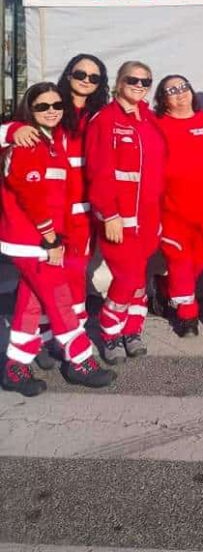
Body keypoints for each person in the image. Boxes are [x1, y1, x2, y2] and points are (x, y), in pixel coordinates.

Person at [0, 82, 115, 395]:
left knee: (30, 304)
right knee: (59, 300)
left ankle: (15, 367)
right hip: (33, 240)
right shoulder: (28, 142)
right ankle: (81, 362)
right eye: (42, 106)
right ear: (29, 109)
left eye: (56, 105)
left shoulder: (49, 141)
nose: (51, 111)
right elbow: (32, 197)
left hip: (39, 238)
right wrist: (50, 239)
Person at [86, 61, 166, 365]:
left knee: (138, 277)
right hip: (119, 219)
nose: (139, 85)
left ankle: (132, 330)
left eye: (146, 81)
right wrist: (109, 214)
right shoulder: (105, 119)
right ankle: (109, 331)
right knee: (127, 277)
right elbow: (99, 172)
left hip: (148, 218)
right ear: (119, 82)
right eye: (133, 80)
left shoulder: (148, 118)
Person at [153, 75, 203, 337]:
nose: (179, 93)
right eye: (171, 90)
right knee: (179, 260)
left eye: (183, 87)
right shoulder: (156, 124)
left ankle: (164, 286)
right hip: (170, 209)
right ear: (162, 99)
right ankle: (188, 315)